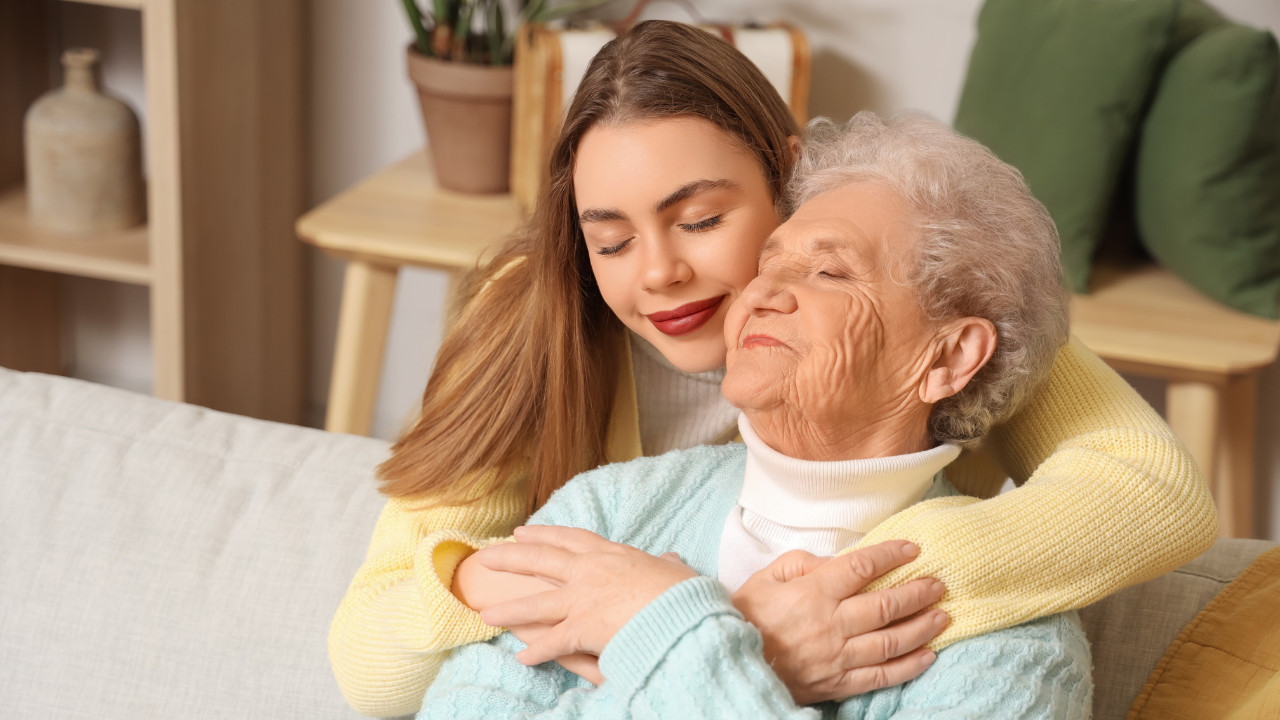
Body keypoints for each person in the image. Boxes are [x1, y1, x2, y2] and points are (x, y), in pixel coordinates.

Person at [330, 21, 1215, 717]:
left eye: (703, 220)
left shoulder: (932, 319)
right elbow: (372, 659)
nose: (657, 273)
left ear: (789, 181)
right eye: (610, 239)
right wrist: (496, 582)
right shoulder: (558, 378)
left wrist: (836, 597)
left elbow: (1155, 493)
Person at [417, 112, 1093, 719]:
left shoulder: (1013, 646)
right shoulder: (604, 512)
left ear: (949, 356)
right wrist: (752, 651)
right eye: (770, 261)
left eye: (830, 272)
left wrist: (668, 628)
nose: (764, 292)